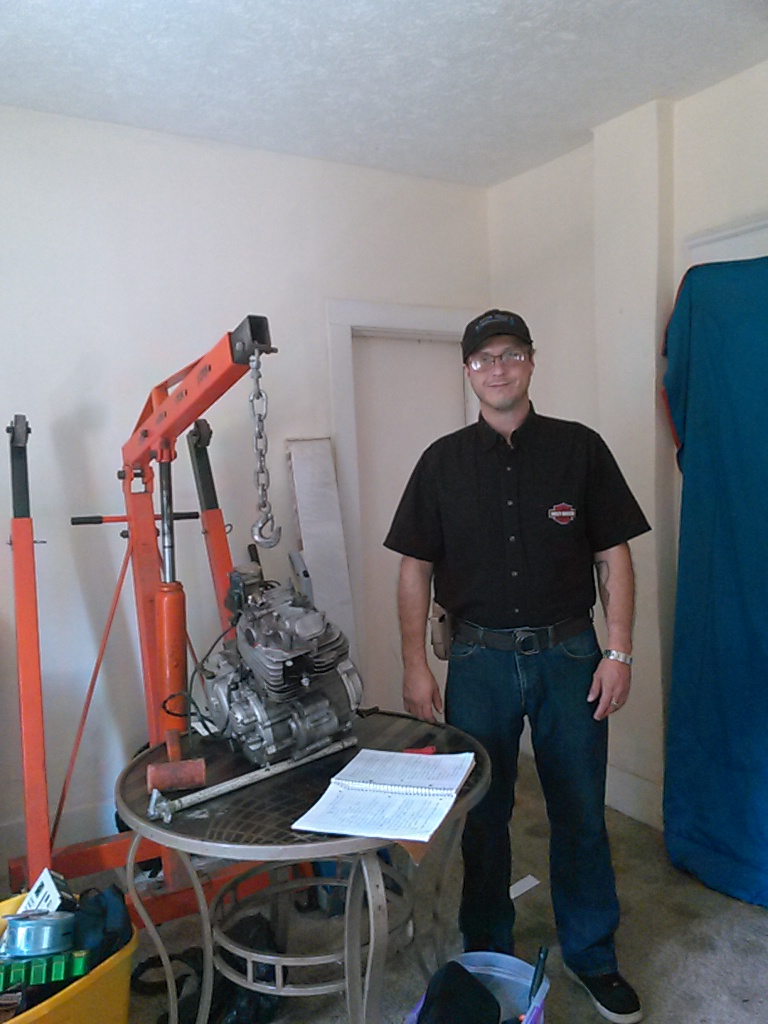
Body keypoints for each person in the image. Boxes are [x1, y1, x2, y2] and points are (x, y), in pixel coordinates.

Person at [384, 309, 650, 1024]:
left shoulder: (580, 449)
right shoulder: (441, 463)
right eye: (483, 359)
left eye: (509, 354)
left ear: (531, 361)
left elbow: (614, 555)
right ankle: (486, 954)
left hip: (572, 657)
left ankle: (592, 954)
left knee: (580, 813)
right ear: (467, 372)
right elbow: (414, 569)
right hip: (478, 663)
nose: (497, 368)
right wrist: (414, 666)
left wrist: (619, 651)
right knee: (483, 816)